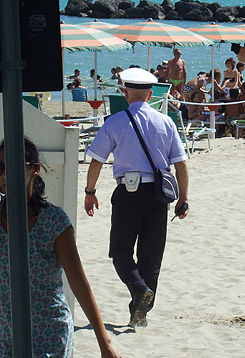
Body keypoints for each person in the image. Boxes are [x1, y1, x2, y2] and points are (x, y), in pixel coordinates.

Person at [84, 68, 189, 328]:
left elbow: (97, 160)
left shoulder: (115, 122)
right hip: (158, 194)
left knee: (120, 251)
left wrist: (90, 191)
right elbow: (181, 165)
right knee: (151, 256)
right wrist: (183, 198)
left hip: (128, 193)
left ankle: (138, 291)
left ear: (126, 93)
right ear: (151, 94)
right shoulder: (166, 122)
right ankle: (139, 312)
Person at [0, 138, 121, 357]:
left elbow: (79, 283)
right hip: (5, 335)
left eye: (12, 167)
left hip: (48, 335)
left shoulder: (53, 222)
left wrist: (104, 342)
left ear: (34, 169)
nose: (4, 175)